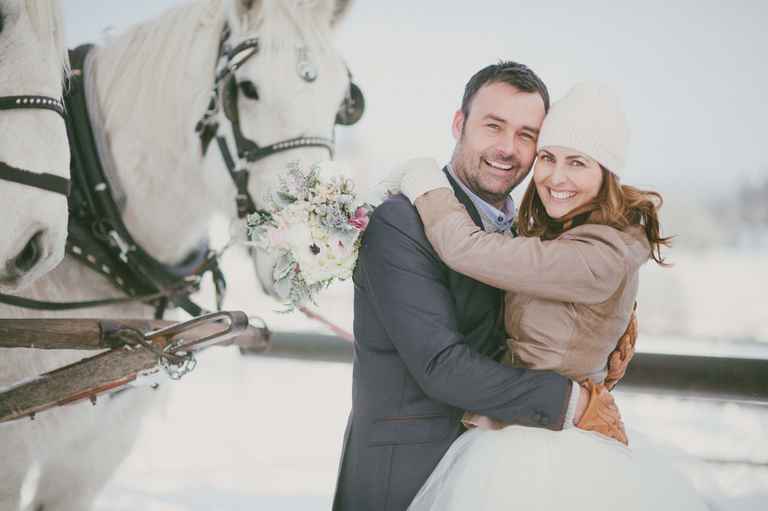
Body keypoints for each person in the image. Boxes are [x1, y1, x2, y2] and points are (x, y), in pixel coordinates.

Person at [332, 63, 636, 511]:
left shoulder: (527, 233)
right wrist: (569, 399)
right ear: (459, 124)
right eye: (493, 126)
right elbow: (441, 366)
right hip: (405, 478)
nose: (507, 149)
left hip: (502, 474)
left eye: (527, 135)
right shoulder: (402, 222)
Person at [397, 82, 708, 510]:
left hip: (548, 451)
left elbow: (466, 249)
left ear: (605, 173)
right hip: (517, 426)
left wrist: (424, 184)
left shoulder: (596, 254)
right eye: (547, 157)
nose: (555, 178)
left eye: (577, 162)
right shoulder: (567, 236)